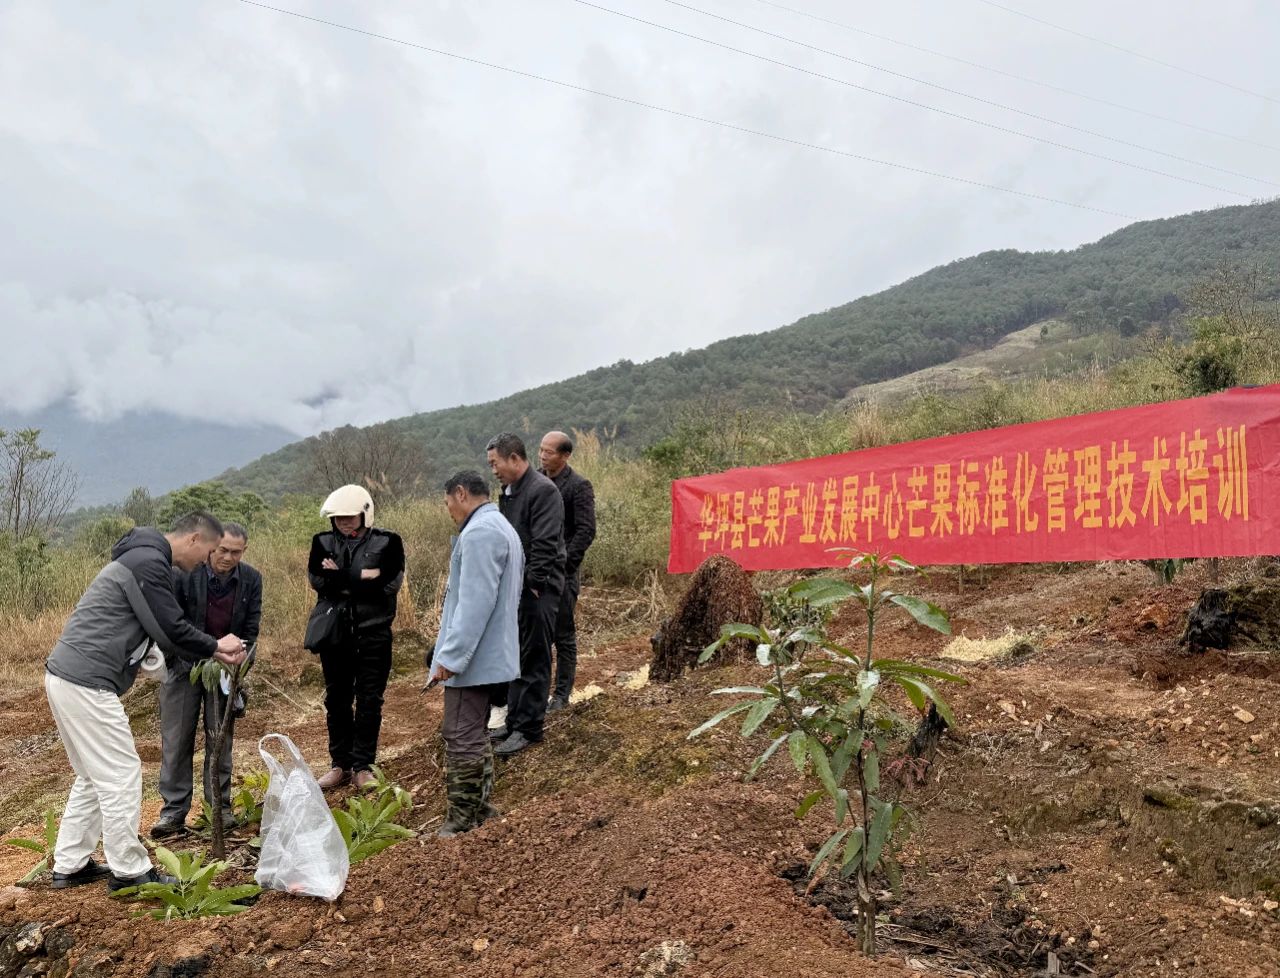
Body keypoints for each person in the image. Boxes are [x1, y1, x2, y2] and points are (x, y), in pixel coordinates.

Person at [44, 513, 247, 892]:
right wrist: (217, 646)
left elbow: (151, 632)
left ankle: (70, 864)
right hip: (85, 681)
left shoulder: (137, 558)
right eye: (207, 551)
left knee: (91, 776)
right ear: (194, 538)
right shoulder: (149, 561)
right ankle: (130, 870)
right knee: (121, 773)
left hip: (66, 676)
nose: (205, 561)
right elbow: (171, 626)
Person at [428, 471, 523, 837]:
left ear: (461, 494)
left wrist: (450, 658)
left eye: (448, 501)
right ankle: (481, 808)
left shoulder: (481, 532)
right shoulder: (499, 525)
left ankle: (462, 818)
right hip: (487, 653)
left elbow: (474, 604)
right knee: (475, 732)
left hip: (474, 657)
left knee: (460, 733)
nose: (449, 509)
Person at [152, 522, 262, 839]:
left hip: (225, 670)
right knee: (176, 741)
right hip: (184, 666)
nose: (228, 557)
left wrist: (242, 661)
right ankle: (173, 815)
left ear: (244, 551)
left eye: (236, 552)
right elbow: (171, 624)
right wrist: (176, 659)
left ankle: (219, 811)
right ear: (212, 546)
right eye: (223, 550)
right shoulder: (184, 573)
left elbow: (251, 629)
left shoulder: (252, 580)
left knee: (220, 741)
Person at [307, 484, 405, 791]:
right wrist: (365, 576)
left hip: (374, 632)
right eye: (338, 518)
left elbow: (389, 584)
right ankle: (341, 765)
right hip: (335, 634)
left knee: (369, 699)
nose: (344, 523)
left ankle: (364, 765)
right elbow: (318, 580)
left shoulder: (388, 541)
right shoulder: (321, 541)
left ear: (364, 514)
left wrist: (341, 575)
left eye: (350, 517)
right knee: (336, 699)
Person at [485, 432, 565, 756]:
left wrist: (531, 584)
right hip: (517, 587)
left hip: (538, 588)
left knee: (534, 655)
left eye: (495, 463)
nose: (493, 470)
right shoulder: (510, 492)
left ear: (514, 458)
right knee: (516, 655)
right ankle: (515, 720)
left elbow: (544, 545)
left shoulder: (543, 491)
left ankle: (529, 728)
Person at [538, 431, 597, 712]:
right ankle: (536, 693)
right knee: (536, 637)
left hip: (563, 574)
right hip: (535, 573)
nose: (542, 456)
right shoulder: (534, 481)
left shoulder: (578, 486)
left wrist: (564, 566)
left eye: (548, 452)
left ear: (565, 456)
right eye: (540, 450)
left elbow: (586, 530)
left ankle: (561, 695)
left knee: (563, 635)